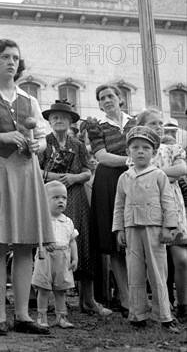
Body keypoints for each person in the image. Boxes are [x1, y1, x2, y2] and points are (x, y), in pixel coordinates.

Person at [0, 39, 54, 336]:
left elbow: (44, 140)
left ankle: (22, 315)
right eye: (5, 57)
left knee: (24, 246)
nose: (11, 62)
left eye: (16, 58)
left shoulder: (30, 100)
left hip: (26, 172)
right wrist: (0, 138)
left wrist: (37, 144)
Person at [39, 101, 112, 318]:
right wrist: (54, 177)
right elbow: (36, 169)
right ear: (50, 121)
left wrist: (73, 177)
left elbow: (87, 171)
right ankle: (49, 301)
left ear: (71, 121)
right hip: (50, 195)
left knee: (81, 242)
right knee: (51, 243)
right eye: (55, 117)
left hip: (77, 197)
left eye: (63, 117)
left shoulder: (78, 145)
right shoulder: (44, 143)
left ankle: (88, 300)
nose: (59, 120)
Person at [112, 126, 179, 333]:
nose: (140, 151)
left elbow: (169, 202)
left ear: (154, 152)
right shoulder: (124, 177)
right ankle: (137, 314)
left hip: (154, 230)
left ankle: (164, 315)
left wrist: (169, 227)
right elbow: (119, 205)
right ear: (128, 152)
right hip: (132, 229)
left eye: (146, 148)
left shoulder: (158, 175)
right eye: (135, 147)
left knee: (158, 272)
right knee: (135, 271)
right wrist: (119, 229)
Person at [134, 109, 187, 323]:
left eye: (160, 123)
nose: (159, 127)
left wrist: (154, 173)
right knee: (156, 263)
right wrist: (167, 173)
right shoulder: (139, 149)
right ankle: (161, 306)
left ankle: (182, 304)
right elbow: (137, 173)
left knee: (182, 259)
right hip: (150, 210)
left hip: (174, 208)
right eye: (153, 123)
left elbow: (182, 168)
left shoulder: (172, 147)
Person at [87, 85, 135, 316]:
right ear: (98, 104)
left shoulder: (136, 123)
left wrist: (136, 165)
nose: (106, 100)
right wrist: (132, 160)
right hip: (109, 182)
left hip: (136, 181)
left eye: (110, 96)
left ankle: (137, 296)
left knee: (137, 237)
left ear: (120, 99)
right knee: (116, 239)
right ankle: (126, 300)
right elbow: (102, 156)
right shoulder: (97, 127)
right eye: (102, 98)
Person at [32, 181, 79, 329]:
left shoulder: (68, 221)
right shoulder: (41, 221)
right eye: (56, 197)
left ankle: (61, 316)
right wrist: (44, 243)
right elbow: (35, 238)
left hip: (63, 258)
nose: (61, 201)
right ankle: (41, 316)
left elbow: (72, 240)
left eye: (64, 198)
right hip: (45, 257)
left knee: (61, 289)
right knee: (44, 288)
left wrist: (75, 258)